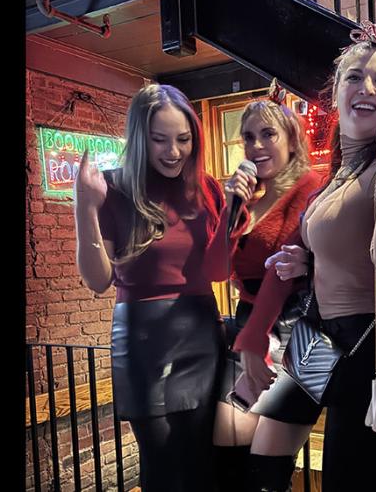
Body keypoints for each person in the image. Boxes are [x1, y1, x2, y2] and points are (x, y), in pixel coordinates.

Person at [233, 18, 376, 492]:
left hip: (371, 337)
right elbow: (342, 243)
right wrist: (307, 262)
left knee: (349, 478)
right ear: (336, 91)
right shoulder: (340, 171)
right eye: (355, 77)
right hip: (320, 330)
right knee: (266, 450)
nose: (367, 87)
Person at [74, 83, 246, 491]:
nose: (173, 151)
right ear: (139, 138)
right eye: (159, 140)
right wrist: (85, 205)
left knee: (203, 459)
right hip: (142, 338)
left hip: (200, 332)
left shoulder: (207, 189)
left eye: (183, 139)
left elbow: (220, 273)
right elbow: (98, 281)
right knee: (162, 462)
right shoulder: (113, 188)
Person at [211, 80, 322, 491]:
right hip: (247, 324)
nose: (256, 145)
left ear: (292, 139)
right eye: (249, 137)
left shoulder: (314, 187)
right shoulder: (246, 197)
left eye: (268, 134)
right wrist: (229, 208)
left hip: (307, 330)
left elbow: (295, 262)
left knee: (267, 469)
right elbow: (218, 269)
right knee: (226, 455)